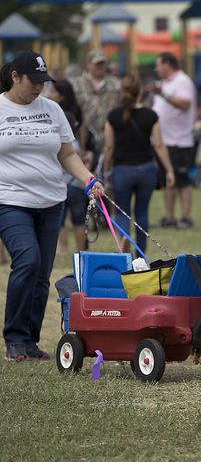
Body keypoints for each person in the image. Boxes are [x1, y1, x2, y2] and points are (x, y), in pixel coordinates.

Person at [0, 51, 105, 361]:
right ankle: (14, 338)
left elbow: (67, 154)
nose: (39, 88)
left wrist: (89, 180)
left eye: (43, 82)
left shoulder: (52, 110)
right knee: (28, 261)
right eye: (34, 81)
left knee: (42, 273)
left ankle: (29, 342)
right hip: (10, 201)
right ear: (15, 77)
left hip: (51, 201)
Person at [103, 75, 175, 257]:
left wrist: (105, 169)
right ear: (140, 92)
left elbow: (109, 146)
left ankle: (124, 240)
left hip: (122, 170)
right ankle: (140, 254)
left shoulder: (113, 116)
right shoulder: (150, 116)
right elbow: (158, 145)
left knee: (122, 211)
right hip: (146, 169)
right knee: (142, 213)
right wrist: (169, 169)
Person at [149, 52, 197, 230]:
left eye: (158, 65)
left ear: (168, 64)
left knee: (182, 181)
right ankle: (169, 217)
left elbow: (185, 104)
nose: (156, 69)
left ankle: (185, 217)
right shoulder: (165, 83)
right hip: (164, 140)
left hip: (179, 140)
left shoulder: (182, 81)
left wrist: (163, 94)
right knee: (166, 181)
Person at [47, 79, 90, 253]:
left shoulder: (55, 115)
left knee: (61, 219)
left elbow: (65, 154)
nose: (49, 94)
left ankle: (63, 248)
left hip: (63, 180)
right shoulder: (76, 115)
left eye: (53, 92)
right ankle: (82, 250)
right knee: (79, 219)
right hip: (78, 182)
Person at [72, 49, 121, 165]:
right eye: (97, 63)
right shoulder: (78, 84)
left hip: (111, 138)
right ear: (88, 64)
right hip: (85, 140)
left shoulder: (116, 84)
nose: (100, 66)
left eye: (102, 63)